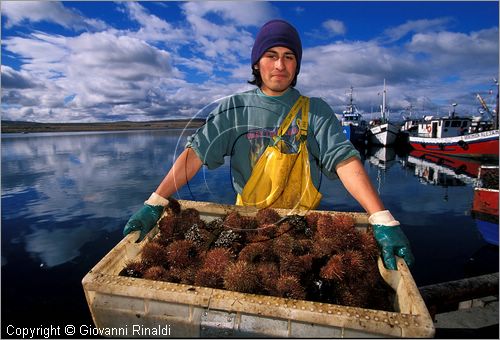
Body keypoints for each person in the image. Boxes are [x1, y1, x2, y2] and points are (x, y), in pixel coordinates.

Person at [123, 19, 414, 271]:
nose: (279, 65)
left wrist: (381, 217)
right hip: (247, 225)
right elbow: (194, 155)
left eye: (289, 56)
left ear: (297, 64)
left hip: (302, 227)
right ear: (256, 62)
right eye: (271, 55)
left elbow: (345, 161)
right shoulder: (234, 109)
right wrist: (155, 202)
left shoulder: (315, 111)